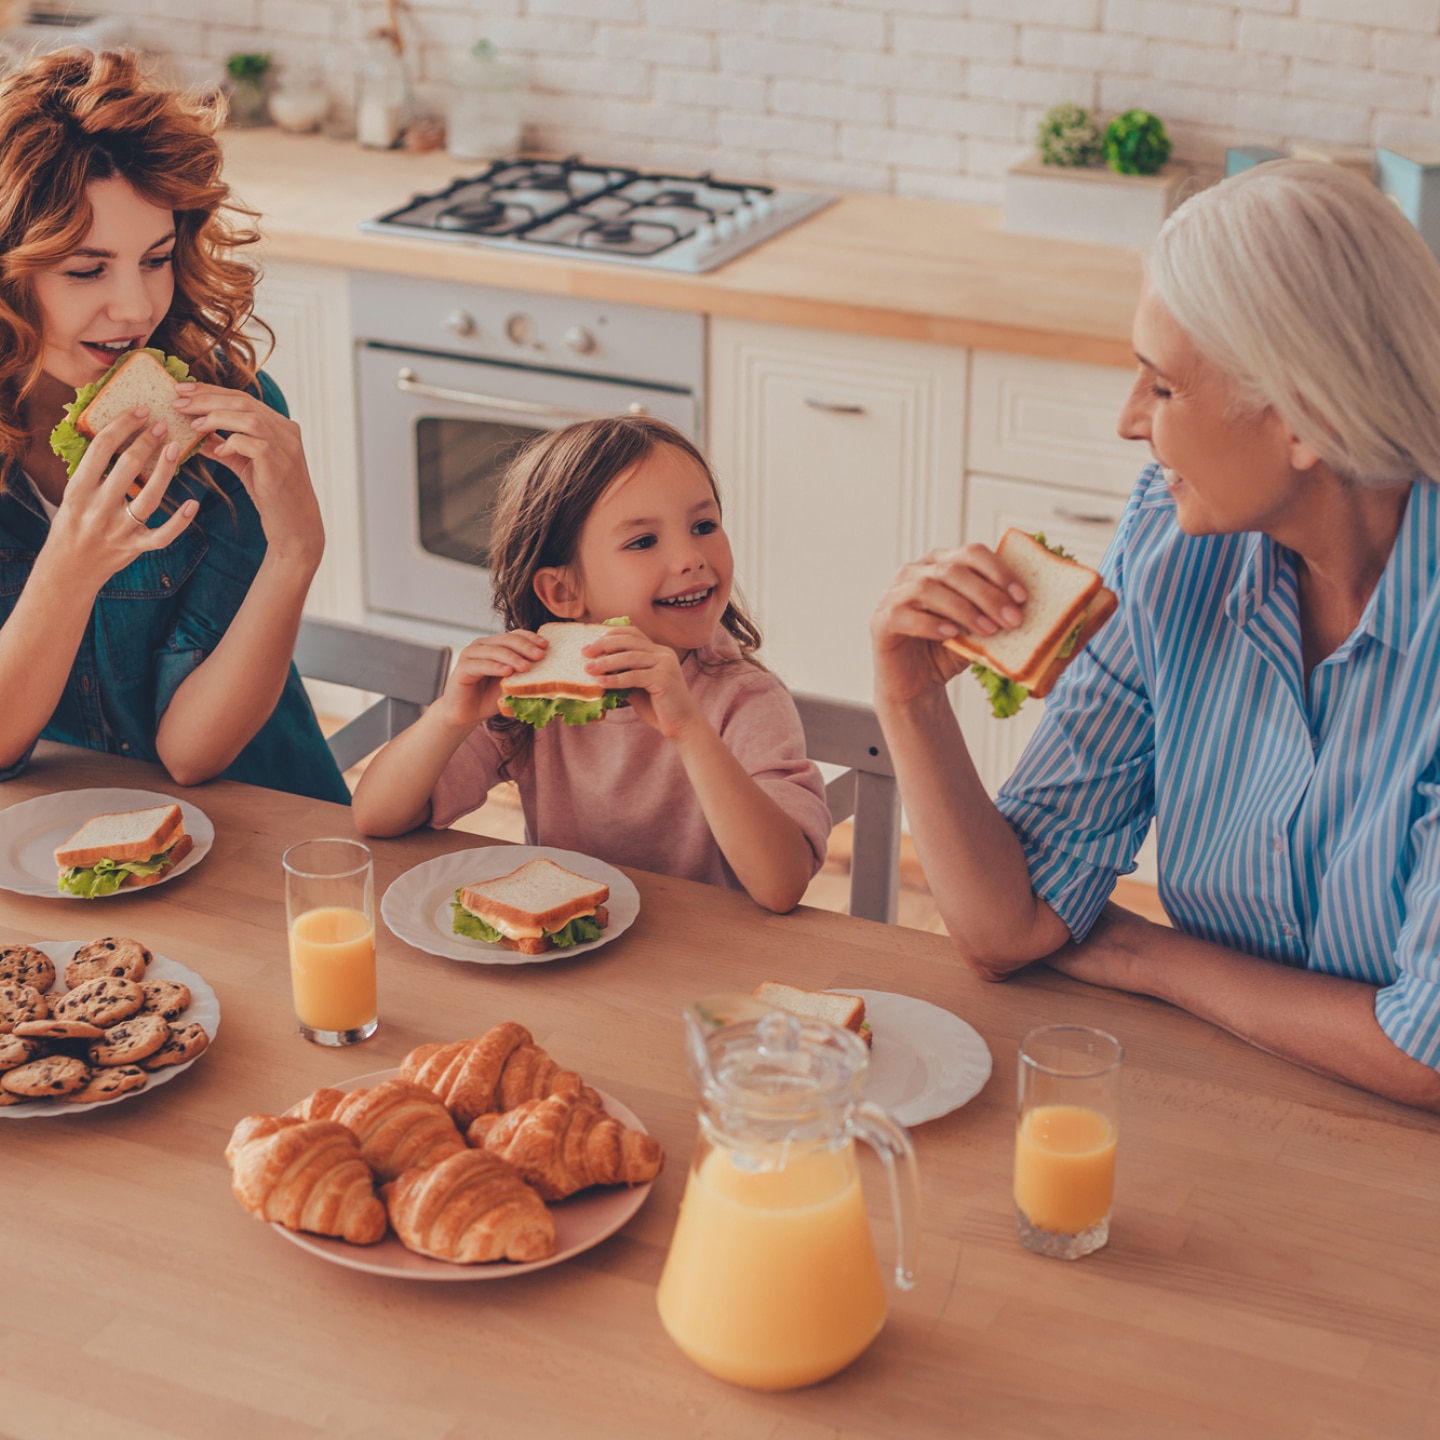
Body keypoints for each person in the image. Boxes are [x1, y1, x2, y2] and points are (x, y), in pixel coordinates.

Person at [871, 159, 1440, 1112]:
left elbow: (1426, 1050)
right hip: (1214, 1093)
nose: (1129, 422)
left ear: (1309, 419)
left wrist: (1149, 954)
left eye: (1164, 388)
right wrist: (909, 695)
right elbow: (1008, 929)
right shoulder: (1178, 549)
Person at [0, 49, 348, 803]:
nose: (134, 309)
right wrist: (71, 566)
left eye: (156, 259)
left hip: (255, 821)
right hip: (55, 843)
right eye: (86, 271)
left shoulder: (233, 420)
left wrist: (298, 551)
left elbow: (192, 754)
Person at [353, 416, 831, 912]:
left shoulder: (745, 698)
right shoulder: (539, 694)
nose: (691, 557)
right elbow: (375, 816)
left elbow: (782, 885)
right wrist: (449, 717)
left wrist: (689, 729)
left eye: (704, 526)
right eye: (643, 541)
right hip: (566, 964)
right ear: (564, 592)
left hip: (704, 962)